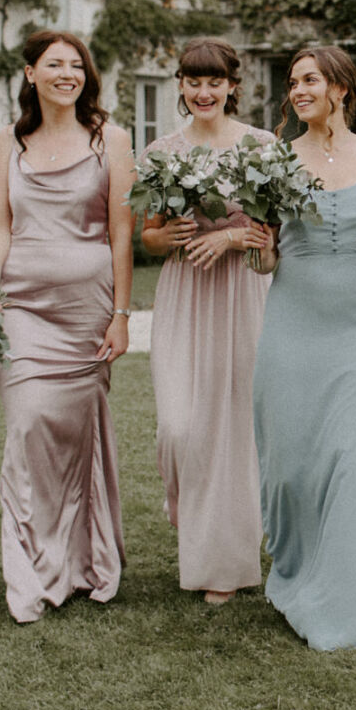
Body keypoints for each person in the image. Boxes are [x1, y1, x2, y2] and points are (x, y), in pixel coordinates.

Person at [253, 46, 356, 650]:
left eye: (310, 80)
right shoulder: (275, 159)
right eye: (293, 82)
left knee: (349, 461)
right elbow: (265, 258)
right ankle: (294, 573)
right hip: (291, 324)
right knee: (290, 468)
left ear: (341, 88)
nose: (298, 90)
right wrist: (254, 242)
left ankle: (343, 604)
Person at [0, 31, 135, 623]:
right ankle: (32, 576)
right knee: (26, 431)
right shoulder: (9, 141)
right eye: (54, 65)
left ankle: (83, 563)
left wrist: (121, 314)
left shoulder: (110, 140)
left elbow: (121, 231)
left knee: (75, 437)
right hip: (22, 308)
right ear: (31, 74)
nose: (66, 74)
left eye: (76, 65)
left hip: (87, 310)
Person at [140, 38, 274, 605]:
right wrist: (161, 236)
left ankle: (224, 564)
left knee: (235, 429)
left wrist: (231, 235)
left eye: (214, 81)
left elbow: (271, 240)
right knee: (179, 426)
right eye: (193, 82)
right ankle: (183, 500)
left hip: (243, 293)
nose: (203, 92)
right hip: (184, 295)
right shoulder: (160, 151)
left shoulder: (262, 147)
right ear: (180, 86)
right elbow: (146, 234)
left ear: (232, 86)